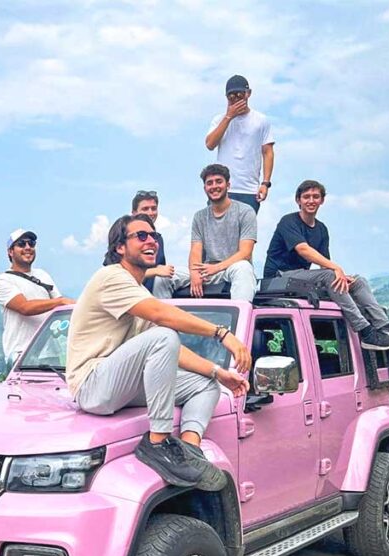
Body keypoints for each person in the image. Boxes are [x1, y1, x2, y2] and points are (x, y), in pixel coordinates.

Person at [67, 213, 251, 489]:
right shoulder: (110, 277)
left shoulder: (137, 290)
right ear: (120, 247)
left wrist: (219, 372)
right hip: (93, 385)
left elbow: (171, 348)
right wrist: (222, 333)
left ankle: (189, 453)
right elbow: (162, 319)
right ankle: (158, 442)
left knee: (207, 384)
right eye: (141, 236)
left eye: (154, 236)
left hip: (121, 384)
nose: (151, 240)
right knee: (163, 334)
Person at [264, 180, 389, 351]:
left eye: (315, 197)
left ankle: (385, 325)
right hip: (279, 277)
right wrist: (336, 269)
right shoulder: (288, 221)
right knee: (331, 275)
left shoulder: (321, 229)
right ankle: (366, 332)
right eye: (306, 197)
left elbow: (324, 264)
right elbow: (303, 249)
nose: (311, 200)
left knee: (358, 281)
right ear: (298, 200)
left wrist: (343, 278)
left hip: (300, 278)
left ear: (322, 201)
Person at [152, 164, 257, 302]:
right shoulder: (199, 216)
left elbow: (245, 253)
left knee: (243, 268)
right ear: (205, 188)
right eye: (209, 183)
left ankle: (241, 319)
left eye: (219, 181)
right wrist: (195, 273)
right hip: (206, 270)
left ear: (228, 185)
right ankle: (164, 321)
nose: (214, 186)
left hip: (231, 268)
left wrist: (216, 267)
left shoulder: (245, 211)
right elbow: (195, 250)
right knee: (163, 276)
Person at [0, 229, 75, 364]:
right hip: (22, 354)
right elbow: (24, 307)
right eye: (21, 244)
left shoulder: (43, 275)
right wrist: (60, 302)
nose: (28, 248)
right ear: (10, 252)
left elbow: (62, 307)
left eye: (31, 244)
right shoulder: (3, 280)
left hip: (49, 353)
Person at [205, 74, 274, 214]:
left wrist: (265, 183)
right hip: (222, 189)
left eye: (239, 94)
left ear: (248, 94)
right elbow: (210, 144)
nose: (235, 98)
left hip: (249, 190)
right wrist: (229, 116)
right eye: (231, 96)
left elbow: (268, 152)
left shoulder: (261, 120)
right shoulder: (219, 120)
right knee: (215, 233)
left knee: (245, 235)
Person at [131, 190, 175, 293]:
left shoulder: (158, 239)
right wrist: (155, 271)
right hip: (130, 298)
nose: (150, 213)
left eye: (153, 208)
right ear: (134, 213)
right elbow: (120, 275)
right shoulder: (124, 238)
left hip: (152, 296)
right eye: (145, 209)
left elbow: (162, 272)